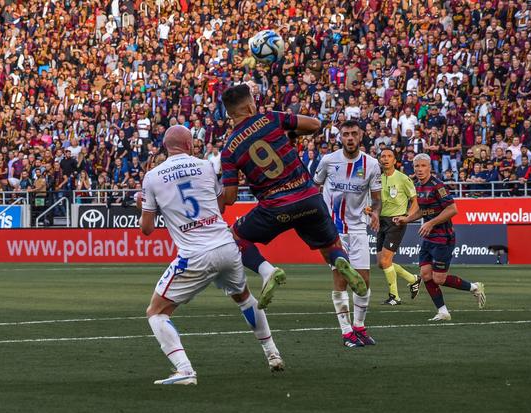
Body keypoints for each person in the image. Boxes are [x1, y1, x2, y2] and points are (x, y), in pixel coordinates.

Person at [139, 125, 283, 386]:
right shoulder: (205, 166)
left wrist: (148, 206)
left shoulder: (152, 177)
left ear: (165, 147)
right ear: (190, 145)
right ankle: (272, 353)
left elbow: (146, 229)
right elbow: (219, 206)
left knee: (156, 311)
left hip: (194, 255)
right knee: (244, 298)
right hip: (226, 247)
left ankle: (184, 370)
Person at [220, 84, 366, 312]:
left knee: (234, 237)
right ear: (250, 105)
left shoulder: (229, 148)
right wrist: (289, 134)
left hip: (275, 208)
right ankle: (339, 260)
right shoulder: (269, 118)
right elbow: (315, 125)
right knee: (330, 246)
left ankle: (267, 271)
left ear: (229, 114)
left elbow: (229, 198)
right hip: (309, 198)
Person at [313, 120, 382, 347]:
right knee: (341, 279)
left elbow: (378, 200)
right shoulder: (328, 160)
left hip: (358, 227)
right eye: (346, 134)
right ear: (339, 137)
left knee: (364, 281)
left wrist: (375, 214)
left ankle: (359, 327)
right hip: (334, 230)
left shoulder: (371, 165)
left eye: (354, 133)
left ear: (360, 136)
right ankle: (346, 332)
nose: (350, 138)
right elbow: (315, 187)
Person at [394, 154, 486, 321]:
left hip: (443, 238)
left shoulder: (438, 186)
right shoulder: (418, 187)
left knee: (438, 278)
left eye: (423, 166)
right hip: (429, 238)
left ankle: (474, 287)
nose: (420, 169)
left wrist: (430, 223)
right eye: (417, 166)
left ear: (429, 167)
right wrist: (406, 219)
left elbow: (452, 209)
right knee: (425, 274)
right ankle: (443, 311)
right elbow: (423, 211)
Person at [376, 147, 421, 305]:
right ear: (380, 160)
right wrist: (372, 212)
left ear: (395, 160)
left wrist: (407, 217)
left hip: (397, 222)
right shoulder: (378, 178)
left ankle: (395, 296)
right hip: (382, 221)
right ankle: (413, 279)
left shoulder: (403, 178)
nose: (386, 159)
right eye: (383, 156)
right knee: (381, 263)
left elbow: (415, 201)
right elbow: (376, 201)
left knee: (386, 260)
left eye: (389, 156)